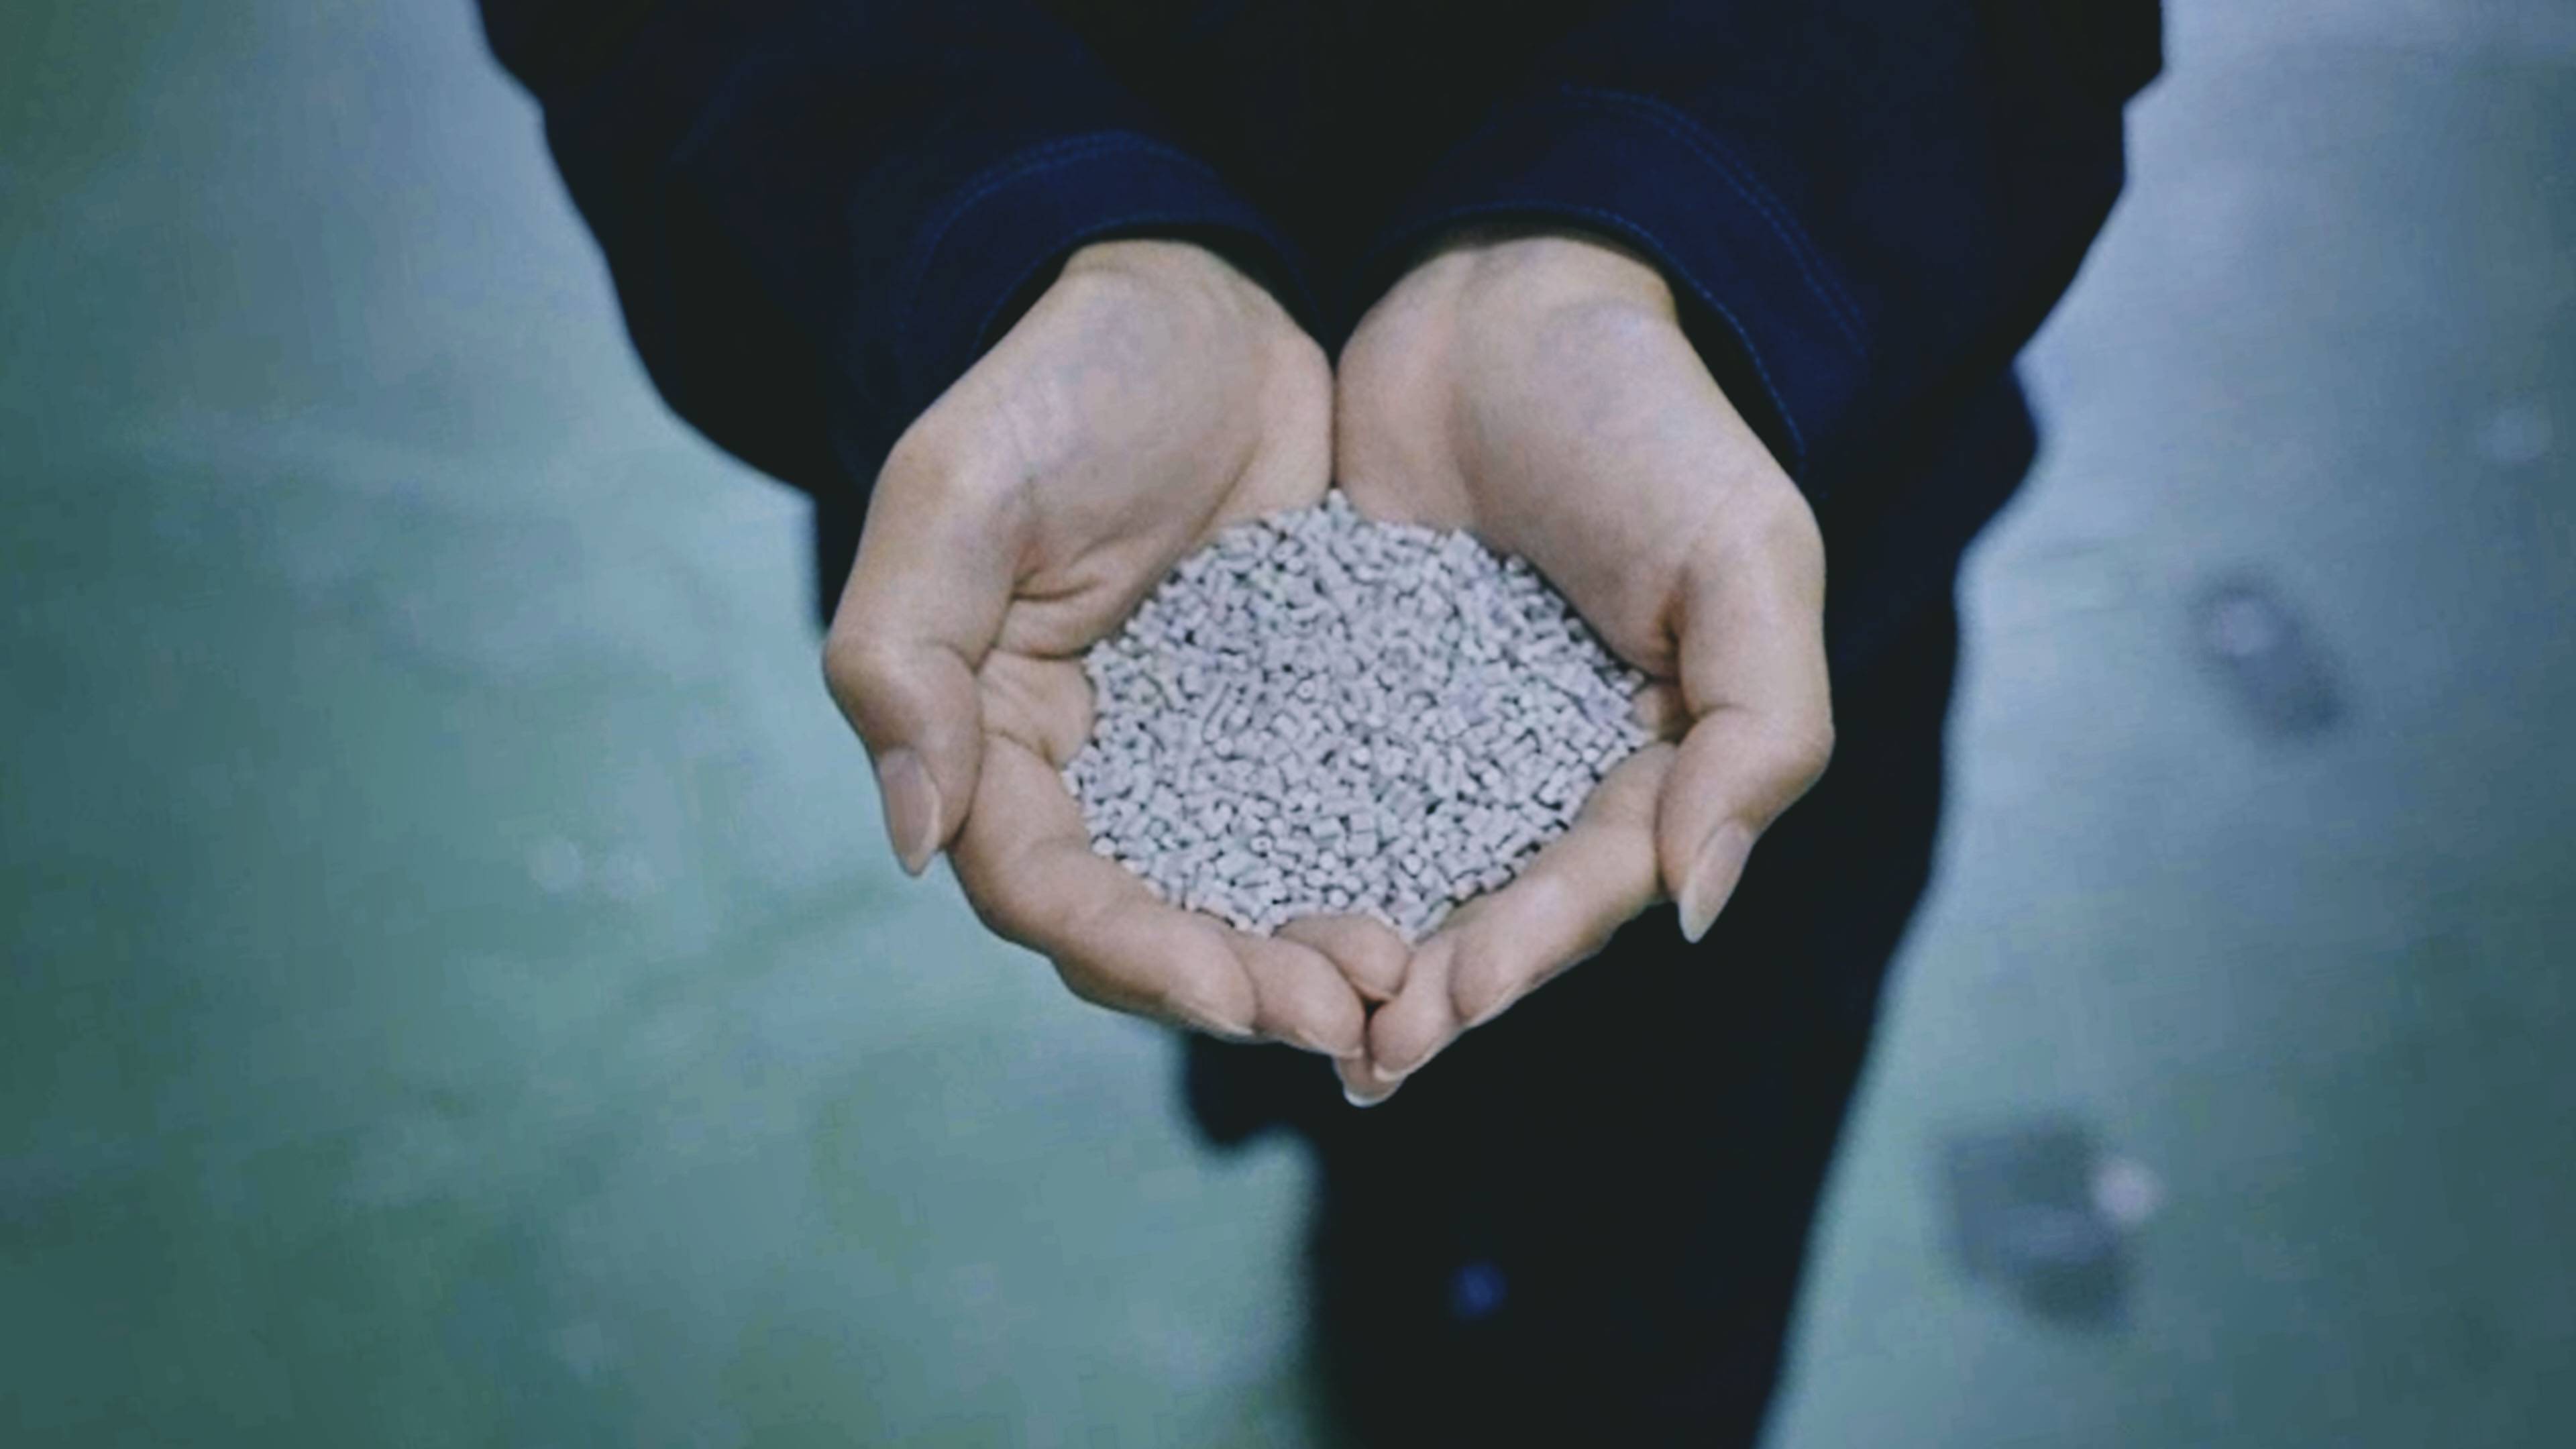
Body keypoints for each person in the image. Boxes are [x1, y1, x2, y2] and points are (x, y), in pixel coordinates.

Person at [479, 2, 2161, 1441]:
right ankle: (1379, 1267)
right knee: (1330, 1077)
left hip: (1752, 473)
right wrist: (992, 214)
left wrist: (1683, 215)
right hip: (1068, 513)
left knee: (1644, 1267)